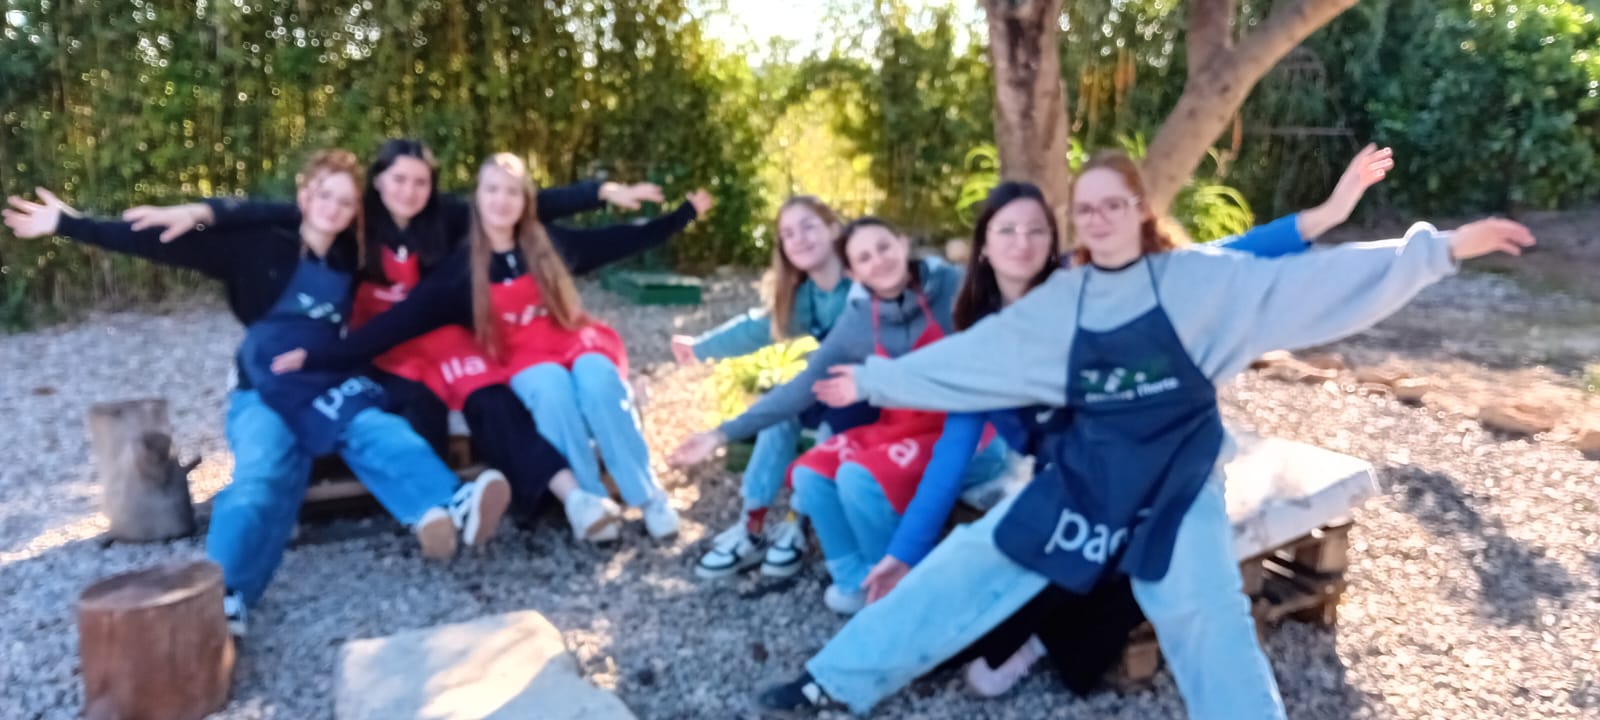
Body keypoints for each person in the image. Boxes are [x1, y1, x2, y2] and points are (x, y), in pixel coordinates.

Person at [752, 148, 1532, 718]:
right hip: (1086, 479)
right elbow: (972, 361)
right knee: (970, 562)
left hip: (1176, 481)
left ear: (1139, 210)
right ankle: (833, 683)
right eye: (1085, 209)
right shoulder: (1063, 299)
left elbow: (1301, 281)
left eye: (1112, 204)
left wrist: (1439, 250)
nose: (1099, 218)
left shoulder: (1198, 279)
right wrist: (875, 382)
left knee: (1207, 611)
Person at [878, 146, 1397, 698]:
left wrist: (1326, 215)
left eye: (1036, 230)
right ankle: (957, 641)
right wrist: (903, 552)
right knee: (1027, 555)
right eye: (1006, 231)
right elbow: (954, 446)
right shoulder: (982, 340)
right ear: (983, 247)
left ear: (1055, 239)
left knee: (1150, 540)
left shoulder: (1093, 283)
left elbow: (1229, 257)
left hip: (1146, 462)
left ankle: (1043, 643)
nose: (1022, 243)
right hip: (1066, 478)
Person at [3, 150, 517, 638]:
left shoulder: (352, 252)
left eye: (344, 201)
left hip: (323, 378)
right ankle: (223, 593)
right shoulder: (255, 245)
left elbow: (432, 227)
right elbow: (161, 242)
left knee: (374, 427)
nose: (333, 209)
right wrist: (69, 223)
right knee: (265, 473)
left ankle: (453, 500)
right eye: (323, 195)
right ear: (303, 195)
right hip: (264, 387)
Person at [125, 139, 662, 526]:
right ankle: (434, 510)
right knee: (417, 407)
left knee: (491, 399)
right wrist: (202, 210)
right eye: (398, 179)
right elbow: (274, 212)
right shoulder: (353, 220)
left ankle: (557, 499)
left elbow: (527, 202)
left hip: (440, 336)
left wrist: (601, 192)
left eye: (420, 181)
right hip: (378, 341)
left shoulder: (447, 218)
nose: (409, 190)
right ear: (378, 181)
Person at [273, 153, 712, 542]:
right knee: (551, 392)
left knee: (598, 381)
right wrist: (318, 357)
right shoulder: (459, 271)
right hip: (522, 356)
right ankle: (590, 502)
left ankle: (648, 496)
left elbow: (618, 240)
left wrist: (683, 214)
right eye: (492, 190)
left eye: (512, 192)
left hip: (573, 338)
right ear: (477, 200)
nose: (502, 200)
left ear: (524, 200)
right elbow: (393, 325)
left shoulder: (547, 244)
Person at [671, 217, 1009, 614]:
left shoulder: (953, 287)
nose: (878, 261)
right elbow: (802, 387)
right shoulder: (859, 321)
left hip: (971, 435)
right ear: (853, 273)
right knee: (812, 472)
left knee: (858, 477)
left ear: (902, 244)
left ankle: (900, 592)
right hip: (902, 429)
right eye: (864, 258)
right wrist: (720, 434)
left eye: (884, 247)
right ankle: (857, 581)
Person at [671, 196, 878, 579]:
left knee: (830, 421)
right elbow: (757, 328)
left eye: (809, 226)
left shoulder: (861, 285)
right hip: (832, 384)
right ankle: (751, 524)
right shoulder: (806, 297)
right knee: (780, 414)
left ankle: (798, 520)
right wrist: (699, 347)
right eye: (788, 233)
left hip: (877, 396)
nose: (799, 238)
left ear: (834, 230)